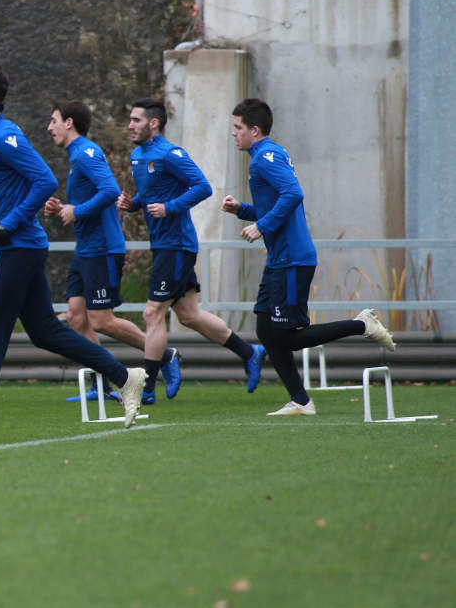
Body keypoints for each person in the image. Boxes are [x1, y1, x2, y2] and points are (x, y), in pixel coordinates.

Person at [0, 65, 145, 441]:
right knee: (43, 331)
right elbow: (14, 188)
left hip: (18, 248)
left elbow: (44, 180)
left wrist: (8, 223)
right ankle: (125, 377)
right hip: (20, 245)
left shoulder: (3, 134)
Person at [222, 98, 394, 415]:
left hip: (291, 260)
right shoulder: (265, 155)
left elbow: (293, 194)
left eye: (237, 128)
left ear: (254, 130)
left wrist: (260, 226)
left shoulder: (265, 158)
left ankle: (361, 325)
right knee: (265, 330)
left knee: (285, 337)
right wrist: (242, 211)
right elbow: (275, 203)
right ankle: (300, 401)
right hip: (281, 258)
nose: (233, 134)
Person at [117, 97, 264, 402]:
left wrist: (170, 208)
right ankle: (250, 352)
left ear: (153, 123)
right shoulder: (137, 156)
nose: (130, 125)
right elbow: (150, 194)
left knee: (152, 312)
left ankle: (146, 390)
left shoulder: (171, 154)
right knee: (188, 315)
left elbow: (202, 187)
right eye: (130, 120)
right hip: (163, 245)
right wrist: (134, 205)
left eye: (136, 120)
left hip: (177, 245)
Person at [42, 100, 163, 402]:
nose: (49, 127)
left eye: (53, 121)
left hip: (103, 249)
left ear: (69, 123)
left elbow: (110, 191)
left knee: (101, 321)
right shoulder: (74, 157)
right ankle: (99, 386)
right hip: (86, 249)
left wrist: (77, 211)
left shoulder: (86, 152)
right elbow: (86, 200)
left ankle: (163, 354)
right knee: (76, 318)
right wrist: (61, 209)